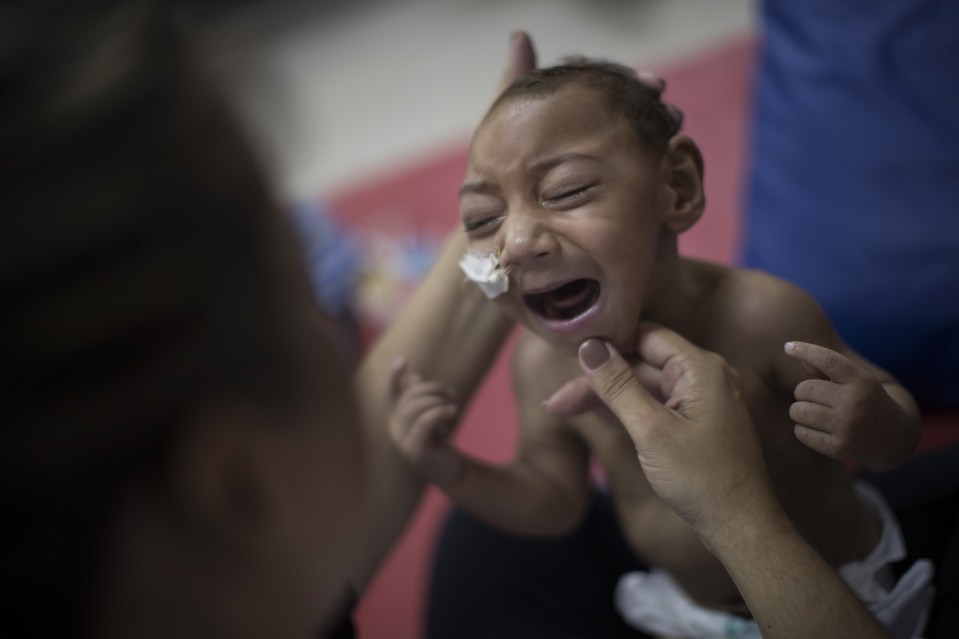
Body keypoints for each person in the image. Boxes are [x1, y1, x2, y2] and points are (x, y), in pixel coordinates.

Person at [391, 58, 930, 637]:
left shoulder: (760, 317)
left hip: (844, 591)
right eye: (483, 219)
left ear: (677, 187)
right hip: (687, 617)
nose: (516, 243)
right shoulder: (540, 365)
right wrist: (454, 471)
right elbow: (554, 499)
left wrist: (876, 427)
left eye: (565, 191)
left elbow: (893, 410)